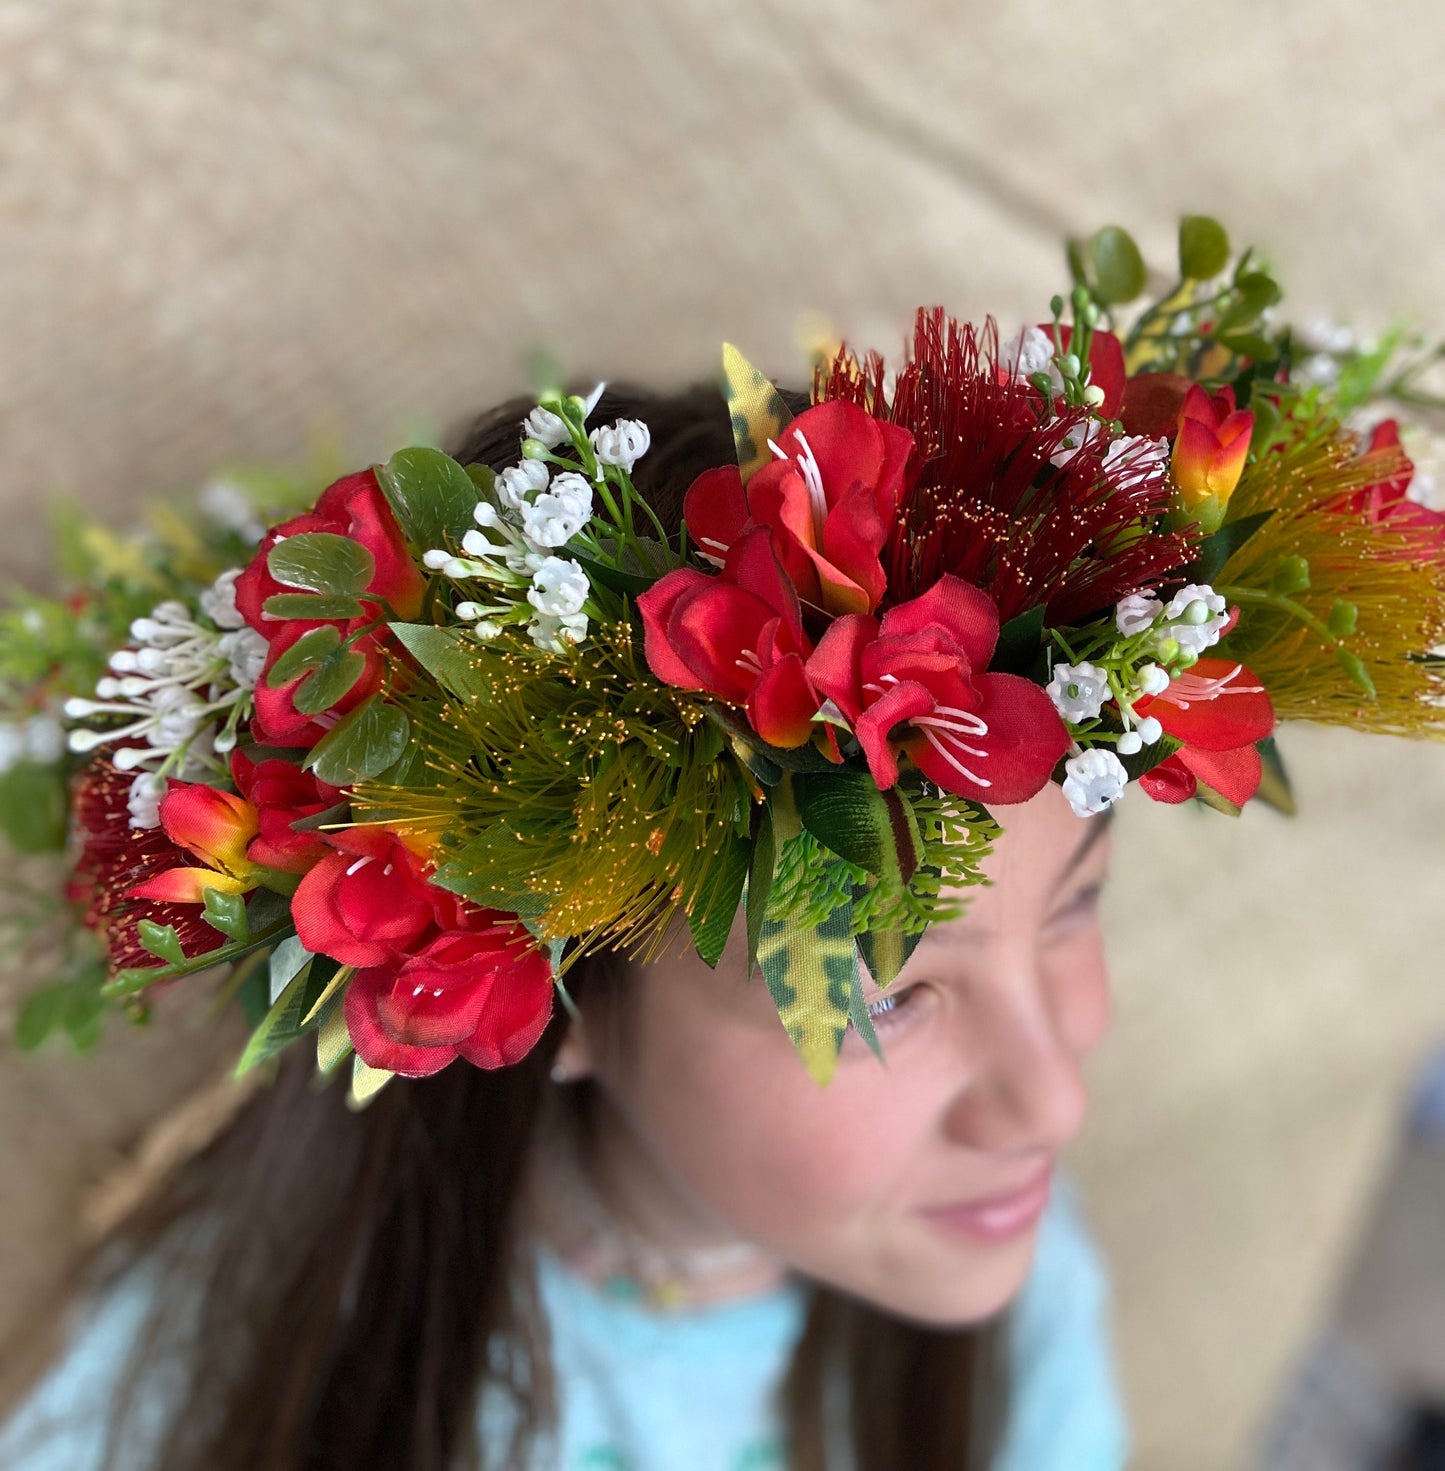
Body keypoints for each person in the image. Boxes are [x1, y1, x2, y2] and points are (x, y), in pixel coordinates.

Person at [0, 387, 1129, 1471]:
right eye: (886, 991)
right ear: (551, 985)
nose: (1053, 1101)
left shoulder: (1014, 1276)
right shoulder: (239, 1340)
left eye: (1073, 903)